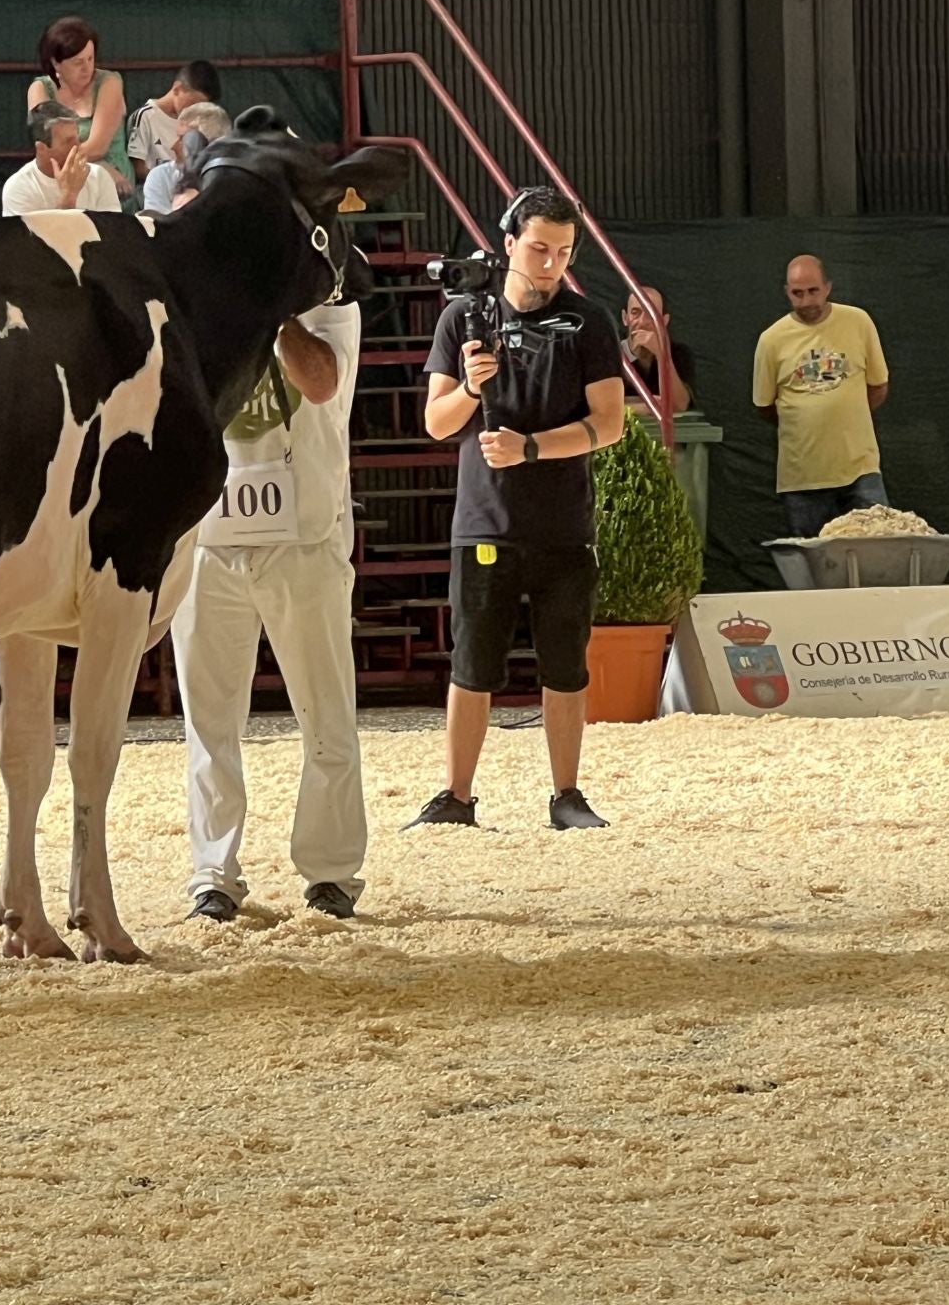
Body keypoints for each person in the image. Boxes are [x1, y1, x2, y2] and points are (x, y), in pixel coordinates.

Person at [408, 187, 625, 834]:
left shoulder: (588, 323)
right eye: (538, 248)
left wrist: (532, 448)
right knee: (473, 665)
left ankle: (567, 795)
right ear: (508, 244)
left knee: (565, 665)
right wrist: (474, 388)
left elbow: (608, 423)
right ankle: (455, 795)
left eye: (562, 251)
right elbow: (437, 422)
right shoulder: (464, 320)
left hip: (563, 523)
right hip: (484, 523)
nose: (550, 262)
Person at [174, 291, 368, 923]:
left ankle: (332, 871)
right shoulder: (188, 305)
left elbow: (318, 382)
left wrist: (274, 309)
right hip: (206, 537)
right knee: (209, 722)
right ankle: (213, 872)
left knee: (326, 715)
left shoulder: (328, 310)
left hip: (304, 540)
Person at [752, 254, 890, 538]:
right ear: (787, 292)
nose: (806, 301)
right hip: (802, 479)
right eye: (797, 293)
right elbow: (765, 406)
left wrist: (847, 418)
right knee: (813, 571)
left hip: (860, 470)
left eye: (813, 291)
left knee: (877, 554)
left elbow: (878, 386)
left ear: (828, 287)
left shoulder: (858, 322)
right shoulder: (771, 340)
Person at [26, 16, 135, 205]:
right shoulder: (40, 89)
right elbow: (48, 147)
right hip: (61, 178)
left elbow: (98, 147)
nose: (87, 68)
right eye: (78, 62)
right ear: (55, 63)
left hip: (116, 184)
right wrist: (99, 166)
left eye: (90, 58)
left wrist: (101, 167)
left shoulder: (109, 82)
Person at [1, 103, 121, 216]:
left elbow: (112, 233)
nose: (78, 146)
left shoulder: (99, 177)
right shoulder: (19, 187)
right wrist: (68, 196)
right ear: (41, 148)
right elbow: (40, 238)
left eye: (77, 138)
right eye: (68, 141)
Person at [126, 59, 223, 178]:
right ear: (177, 89)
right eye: (192, 103)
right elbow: (138, 168)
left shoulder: (198, 121)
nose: (195, 109)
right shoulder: (145, 116)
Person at [140, 102, 232, 214]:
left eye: (183, 139)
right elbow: (156, 226)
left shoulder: (233, 181)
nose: (173, 147)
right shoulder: (161, 176)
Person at [619, 286, 694, 414]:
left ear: (664, 321)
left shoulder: (678, 354)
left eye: (651, 313)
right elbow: (601, 407)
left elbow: (679, 405)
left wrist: (662, 355)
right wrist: (650, 405)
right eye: (635, 313)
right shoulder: (610, 353)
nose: (643, 322)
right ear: (625, 318)